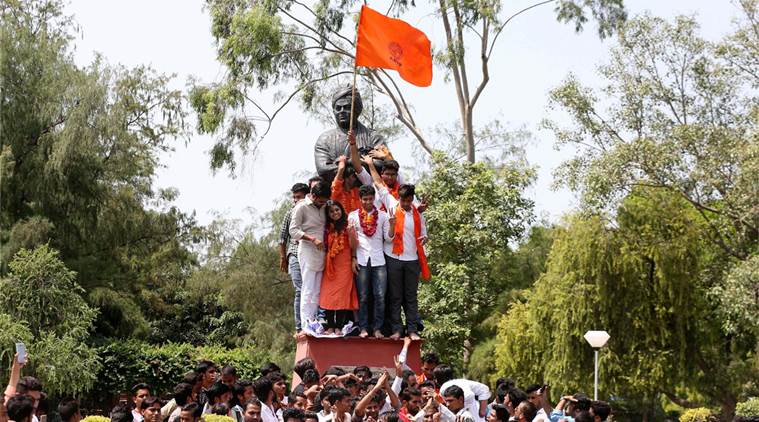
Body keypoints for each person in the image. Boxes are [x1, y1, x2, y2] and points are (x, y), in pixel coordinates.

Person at [384, 183, 429, 340]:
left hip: (412, 260)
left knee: (411, 296)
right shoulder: (392, 206)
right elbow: (378, 184)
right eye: (403, 201)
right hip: (394, 258)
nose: (406, 204)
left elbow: (423, 233)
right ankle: (396, 329)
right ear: (399, 198)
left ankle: (412, 330)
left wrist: (425, 238)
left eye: (409, 201)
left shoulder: (418, 213)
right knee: (395, 296)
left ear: (412, 199)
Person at [348, 184, 394, 338]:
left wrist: (392, 225)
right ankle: (363, 328)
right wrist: (353, 258)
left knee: (380, 296)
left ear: (374, 198)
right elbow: (352, 242)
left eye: (371, 198)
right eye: (365, 199)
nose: (368, 202)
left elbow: (388, 238)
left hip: (378, 259)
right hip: (361, 259)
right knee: (363, 296)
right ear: (360, 199)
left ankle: (377, 328)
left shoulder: (383, 216)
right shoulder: (353, 216)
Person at [290, 181, 331, 327]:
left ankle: (316, 322)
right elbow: (293, 231)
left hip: (322, 252)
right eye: (320, 201)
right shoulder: (301, 207)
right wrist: (312, 239)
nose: (322, 204)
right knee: (307, 288)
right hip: (307, 249)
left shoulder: (325, 205)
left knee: (318, 289)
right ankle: (307, 324)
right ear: (312, 195)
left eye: (324, 202)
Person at [319, 199, 359, 334]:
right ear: (328, 214)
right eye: (331, 211)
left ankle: (339, 327)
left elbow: (354, 246)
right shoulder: (327, 227)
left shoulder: (348, 225)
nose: (335, 213)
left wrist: (351, 232)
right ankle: (330, 326)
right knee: (328, 295)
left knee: (342, 296)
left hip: (345, 265)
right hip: (330, 265)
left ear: (341, 210)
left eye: (337, 210)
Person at [280, 182, 311, 334]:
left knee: (311, 289)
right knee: (300, 289)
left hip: (311, 254)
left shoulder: (313, 212)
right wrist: (283, 258)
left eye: (298, 197)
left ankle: (312, 322)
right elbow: (282, 238)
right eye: (294, 197)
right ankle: (299, 327)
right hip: (294, 253)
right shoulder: (290, 213)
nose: (295, 200)